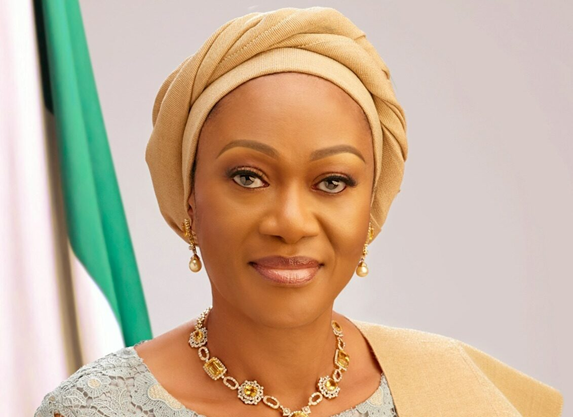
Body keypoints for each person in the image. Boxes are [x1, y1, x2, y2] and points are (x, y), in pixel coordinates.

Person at [35, 7, 563, 417]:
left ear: (371, 209)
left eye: (332, 182)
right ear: (189, 197)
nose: (290, 223)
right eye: (248, 177)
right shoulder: (94, 409)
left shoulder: (456, 392)